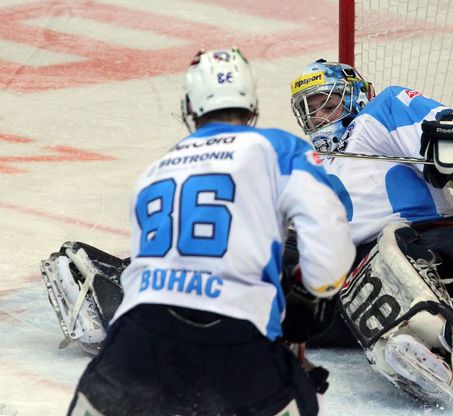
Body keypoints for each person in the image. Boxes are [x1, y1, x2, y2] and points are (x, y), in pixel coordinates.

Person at [57, 48, 355, 416]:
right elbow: (328, 258)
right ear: (252, 104)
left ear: (189, 106)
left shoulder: (155, 171)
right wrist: (309, 302)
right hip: (237, 337)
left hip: (136, 339)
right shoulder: (277, 148)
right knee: (306, 393)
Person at [287, 60, 453, 407]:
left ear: (357, 96)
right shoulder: (308, 165)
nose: (319, 117)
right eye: (310, 111)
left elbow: (448, 139)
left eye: (328, 104)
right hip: (349, 277)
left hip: (424, 241)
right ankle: (400, 342)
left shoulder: (380, 113)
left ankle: (430, 328)